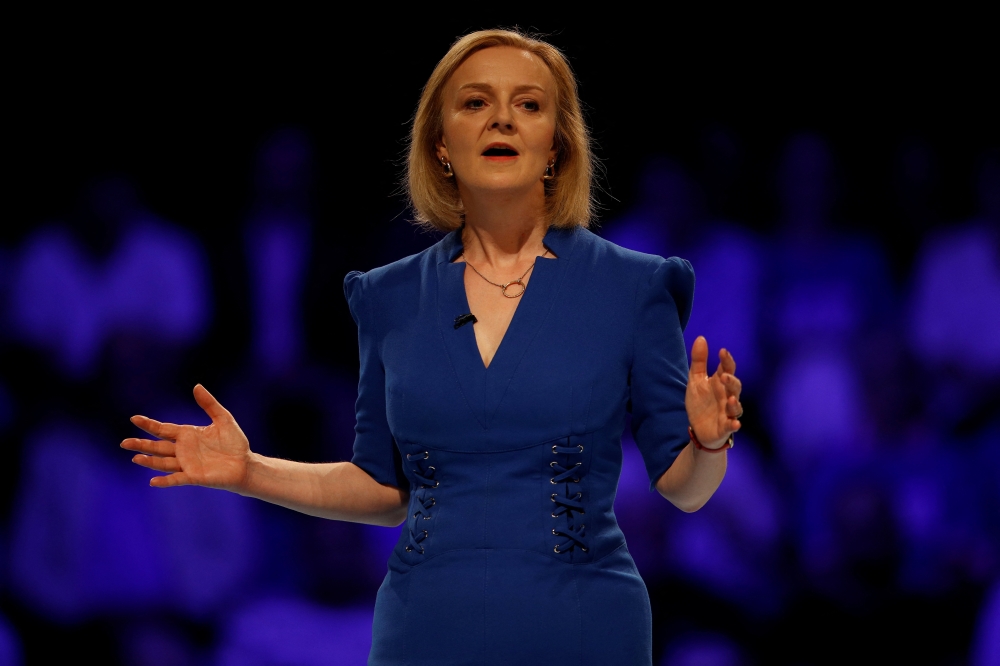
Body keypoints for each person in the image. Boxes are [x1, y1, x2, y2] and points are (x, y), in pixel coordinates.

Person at [120, 29, 744, 665]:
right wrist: (252, 471)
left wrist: (710, 443)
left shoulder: (634, 287)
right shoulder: (388, 298)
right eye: (476, 102)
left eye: (528, 104)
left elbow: (685, 490)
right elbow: (381, 490)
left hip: (582, 625)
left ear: (558, 144)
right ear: (440, 146)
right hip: (426, 627)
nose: (502, 116)